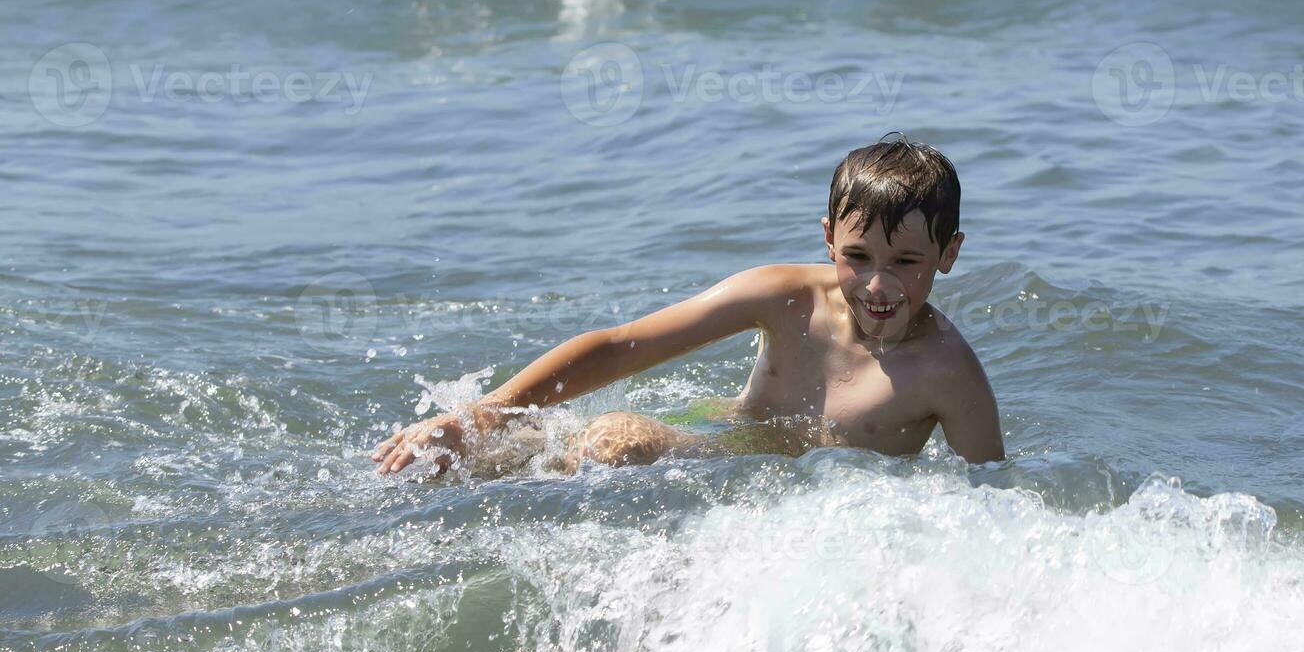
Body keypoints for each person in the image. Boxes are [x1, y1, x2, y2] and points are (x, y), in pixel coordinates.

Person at [373, 133, 1004, 477]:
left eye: (907, 263)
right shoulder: (785, 297)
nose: (877, 285)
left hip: (808, 513)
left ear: (948, 253)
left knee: (606, 444)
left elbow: (991, 497)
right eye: (858, 256)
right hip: (718, 447)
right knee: (559, 446)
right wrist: (483, 415)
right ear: (827, 238)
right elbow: (623, 345)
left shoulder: (949, 373)